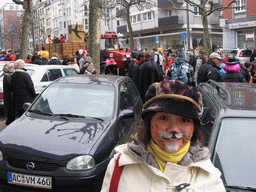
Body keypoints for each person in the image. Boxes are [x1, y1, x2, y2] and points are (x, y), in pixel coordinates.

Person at [101, 80, 225, 192]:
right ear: (149, 123)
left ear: (194, 127)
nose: (174, 129)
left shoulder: (210, 179)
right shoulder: (120, 168)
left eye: (184, 120)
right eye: (163, 118)